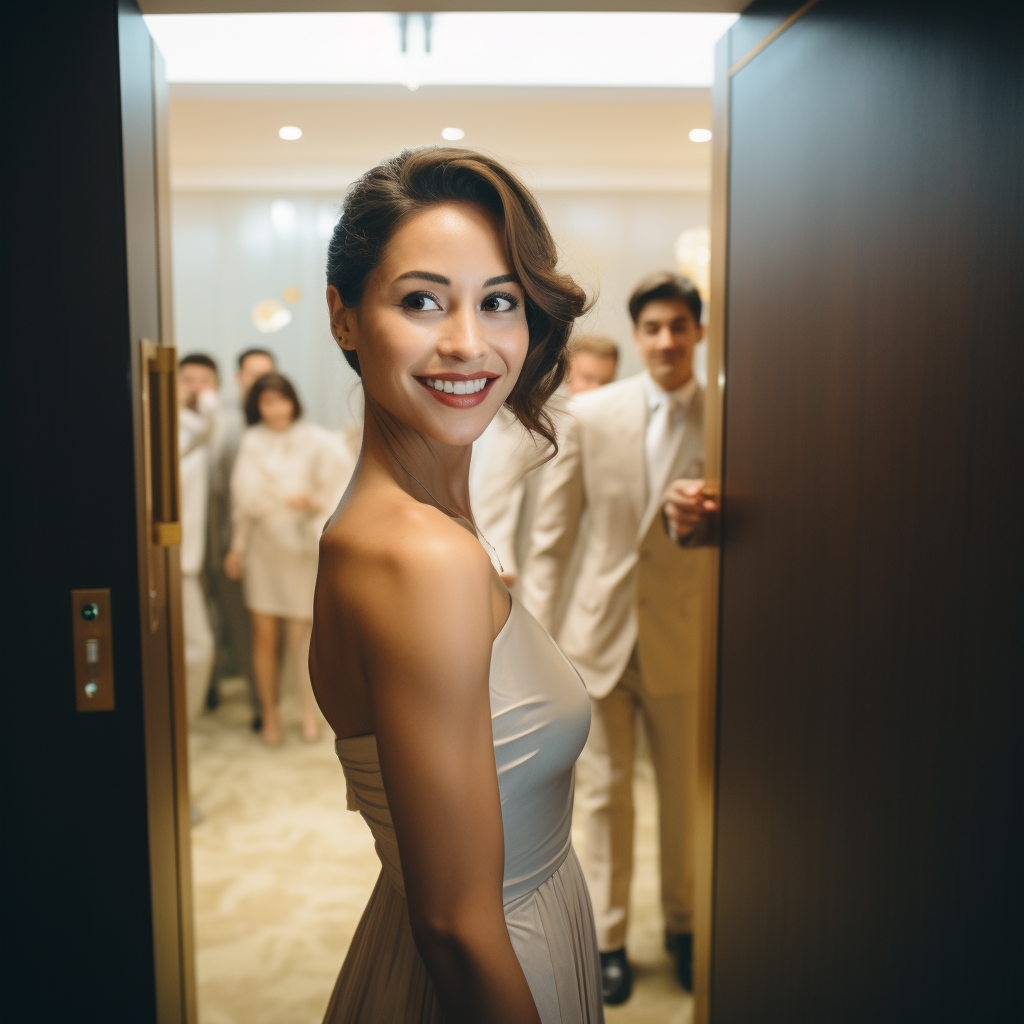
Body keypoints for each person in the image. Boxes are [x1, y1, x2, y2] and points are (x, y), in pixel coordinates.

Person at [311, 147, 603, 1024]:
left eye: (499, 301)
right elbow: (456, 925)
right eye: (422, 300)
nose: (468, 342)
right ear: (345, 318)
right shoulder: (421, 557)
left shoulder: (410, 525)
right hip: (497, 971)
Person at [521, 272, 718, 1004]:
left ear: (698, 333)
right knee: (602, 797)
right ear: (638, 338)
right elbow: (551, 541)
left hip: (687, 636)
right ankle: (606, 937)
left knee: (685, 794)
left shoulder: (734, 414)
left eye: (679, 327)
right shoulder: (590, 414)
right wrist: (535, 642)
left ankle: (685, 924)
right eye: (653, 328)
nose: (666, 340)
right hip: (594, 638)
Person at [225, 372, 348, 746]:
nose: (276, 409)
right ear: (257, 406)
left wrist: (313, 503)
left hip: (301, 548)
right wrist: (237, 547)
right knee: (264, 636)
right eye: (267, 402)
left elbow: (340, 483)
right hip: (264, 547)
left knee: (304, 638)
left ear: (293, 401)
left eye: (282, 400)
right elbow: (241, 503)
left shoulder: (316, 439)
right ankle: (271, 715)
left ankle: (308, 712)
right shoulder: (251, 440)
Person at [468, 333, 617, 590]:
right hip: (521, 565)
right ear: (566, 375)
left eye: (604, 382)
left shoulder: (607, 427)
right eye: (588, 379)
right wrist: (498, 559)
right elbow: (494, 491)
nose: (595, 390)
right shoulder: (530, 421)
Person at [206, 347, 275, 724]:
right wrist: (224, 547)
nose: (259, 382)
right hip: (231, 543)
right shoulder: (225, 425)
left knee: (266, 629)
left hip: (275, 546)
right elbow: (218, 492)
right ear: (239, 378)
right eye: (252, 374)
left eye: (267, 374)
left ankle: (266, 703)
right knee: (237, 624)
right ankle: (257, 705)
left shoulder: (279, 417)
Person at [177, 353, 219, 724]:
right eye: (187, 379)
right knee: (198, 647)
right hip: (175, 557)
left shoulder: (212, 424)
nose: (195, 387)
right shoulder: (176, 426)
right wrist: (205, 414)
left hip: (204, 551)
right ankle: (179, 722)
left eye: (204, 380)